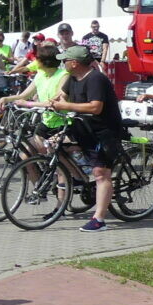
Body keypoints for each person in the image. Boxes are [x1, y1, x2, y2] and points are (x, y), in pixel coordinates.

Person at [51, 45, 124, 232]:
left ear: (74, 63)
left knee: (101, 173)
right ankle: (77, 176)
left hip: (103, 131)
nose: (63, 63)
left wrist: (66, 105)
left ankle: (99, 220)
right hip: (81, 127)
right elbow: (61, 98)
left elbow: (95, 107)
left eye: (65, 60)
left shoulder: (95, 79)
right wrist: (42, 103)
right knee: (53, 145)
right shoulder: (72, 78)